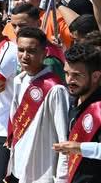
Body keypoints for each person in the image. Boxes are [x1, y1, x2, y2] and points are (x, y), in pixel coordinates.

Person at [4, 27, 68, 183]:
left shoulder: (55, 89)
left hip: (41, 172)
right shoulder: (19, 80)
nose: (25, 56)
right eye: (21, 50)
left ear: (45, 53)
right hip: (18, 167)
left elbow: (64, 140)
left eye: (31, 51)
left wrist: (62, 178)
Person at [52, 43, 101, 183]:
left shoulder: (99, 107)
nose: (69, 80)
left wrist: (79, 148)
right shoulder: (73, 99)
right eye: (66, 73)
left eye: (76, 75)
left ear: (96, 76)